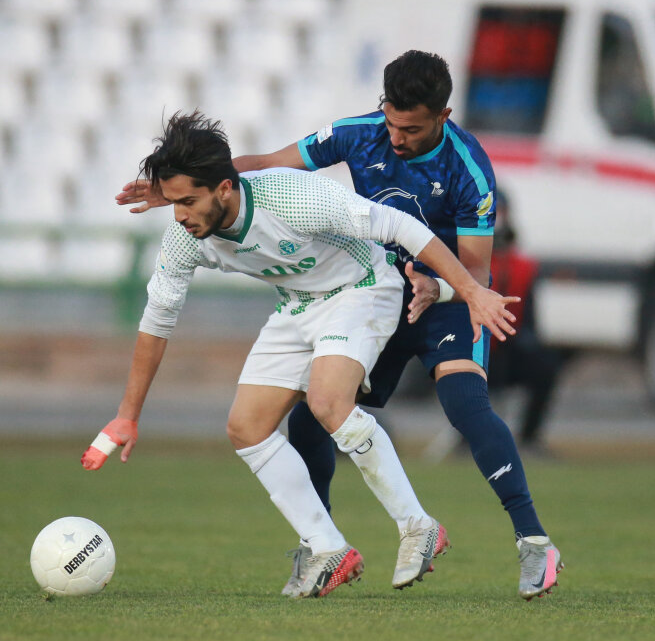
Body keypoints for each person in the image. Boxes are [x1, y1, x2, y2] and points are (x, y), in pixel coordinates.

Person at [118, 51, 564, 600]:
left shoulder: (469, 169)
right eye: (391, 123)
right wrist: (179, 189)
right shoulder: (358, 134)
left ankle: (533, 542)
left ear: (443, 116)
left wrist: (445, 287)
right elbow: (264, 165)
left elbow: (475, 269)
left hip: (446, 293)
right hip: (380, 283)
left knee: (465, 406)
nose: (396, 138)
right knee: (311, 414)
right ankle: (323, 546)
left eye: (411, 129)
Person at [485, 187, 564, 452]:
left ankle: (529, 437)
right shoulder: (464, 261)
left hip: (509, 347)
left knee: (544, 365)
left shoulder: (522, 266)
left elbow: (529, 320)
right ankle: (470, 437)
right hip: (473, 348)